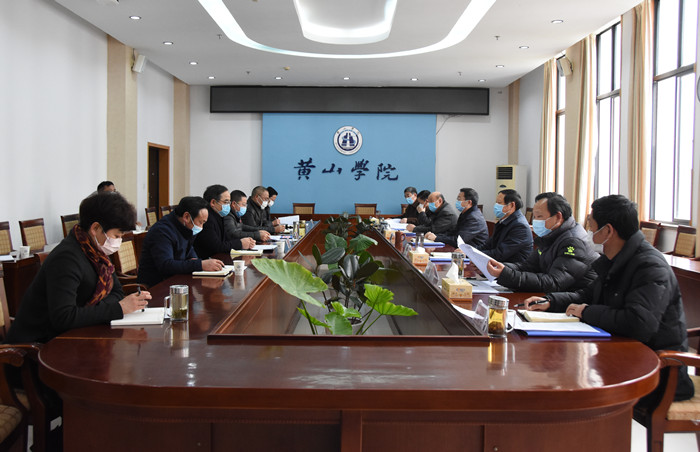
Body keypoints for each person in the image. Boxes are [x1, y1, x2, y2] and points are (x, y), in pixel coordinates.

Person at [523, 194, 693, 402]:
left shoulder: (650, 266)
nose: (588, 231)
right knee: (558, 371)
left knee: (569, 384)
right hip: (622, 355)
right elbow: (588, 294)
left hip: (657, 372)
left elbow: (638, 323)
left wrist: (586, 312)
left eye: (592, 226)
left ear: (608, 231)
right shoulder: (616, 258)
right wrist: (551, 301)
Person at [6, 193, 151, 343]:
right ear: (95, 228)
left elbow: (117, 292)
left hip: (75, 335)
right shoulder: (66, 258)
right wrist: (117, 309)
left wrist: (96, 310)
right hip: (38, 345)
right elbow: (63, 317)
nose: (118, 242)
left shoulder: (97, 253)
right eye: (116, 236)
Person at [486, 192, 598, 292]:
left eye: (539, 216)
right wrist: (495, 267)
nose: (535, 221)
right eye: (534, 217)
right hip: (552, 297)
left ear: (558, 217)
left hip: (572, 302)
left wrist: (505, 274)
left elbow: (554, 282)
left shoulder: (573, 242)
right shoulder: (550, 235)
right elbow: (528, 266)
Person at [138, 196, 226, 287]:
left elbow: (189, 248)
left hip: (177, 281)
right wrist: (199, 265)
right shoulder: (162, 231)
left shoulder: (185, 226)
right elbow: (166, 265)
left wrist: (194, 259)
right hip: (156, 286)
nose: (201, 227)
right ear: (186, 217)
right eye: (200, 222)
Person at [194, 185, 255, 259]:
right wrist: (240, 243)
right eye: (226, 202)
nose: (228, 206)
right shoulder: (207, 219)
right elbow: (216, 246)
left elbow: (226, 240)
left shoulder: (219, 215)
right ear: (213, 202)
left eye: (229, 202)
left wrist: (245, 241)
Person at [477, 189, 533, 264]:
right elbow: (489, 245)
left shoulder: (520, 226)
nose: (496, 206)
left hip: (514, 267)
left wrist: (475, 255)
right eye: (496, 203)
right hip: (501, 264)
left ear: (511, 205)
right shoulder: (504, 221)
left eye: (499, 203)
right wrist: (471, 251)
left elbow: (500, 253)